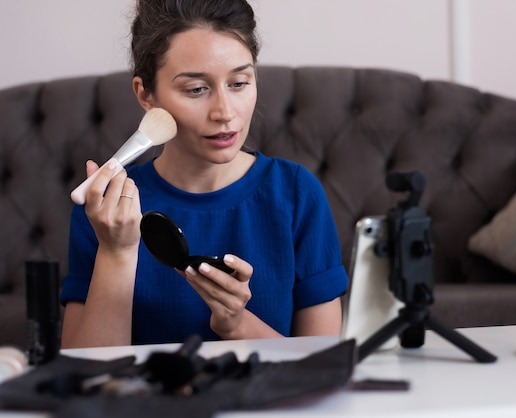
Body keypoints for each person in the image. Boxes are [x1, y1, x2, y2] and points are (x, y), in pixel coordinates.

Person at [60, 0, 347, 348]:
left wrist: (237, 323)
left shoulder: (296, 194)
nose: (225, 112)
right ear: (145, 95)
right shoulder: (107, 209)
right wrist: (116, 252)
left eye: (239, 83)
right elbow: (88, 380)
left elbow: (321, 371)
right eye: (196, 89)